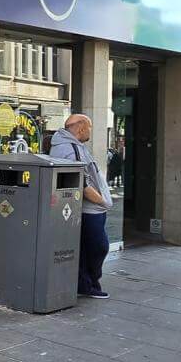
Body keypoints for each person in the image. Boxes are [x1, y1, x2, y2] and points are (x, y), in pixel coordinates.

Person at [50, 112, 113, 298]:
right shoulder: (69, 149)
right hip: (89, 209)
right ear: (81, 127)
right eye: (89, 127)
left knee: (87, 249)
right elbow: (81, 184)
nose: (90, 131)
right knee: (99, 247)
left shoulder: (74, 146)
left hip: (92, 209)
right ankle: (88, 284)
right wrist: (103, 201)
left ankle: (86, 285)